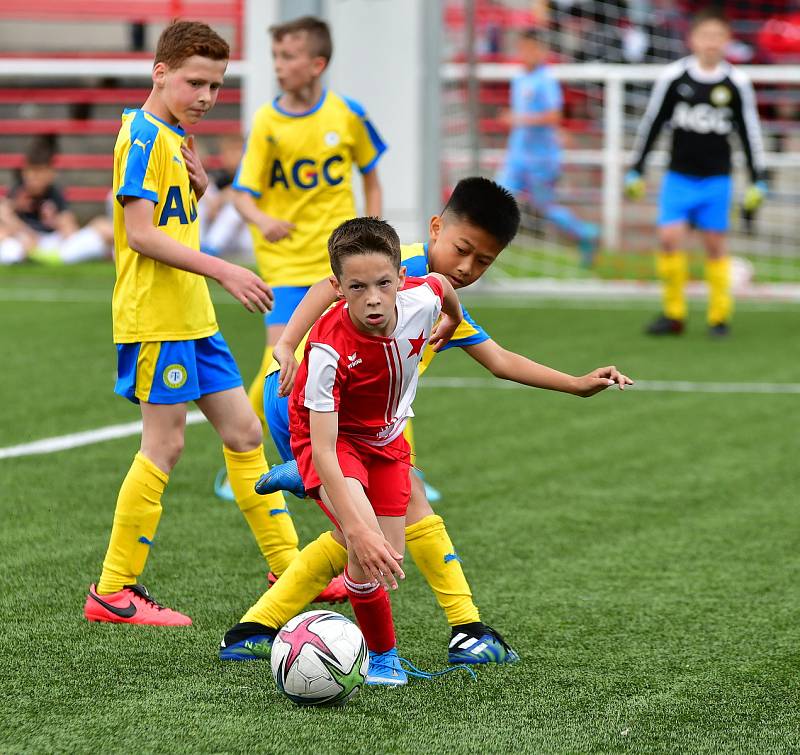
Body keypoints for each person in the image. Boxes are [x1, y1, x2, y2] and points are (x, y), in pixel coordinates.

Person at [219, 177, 633, 665]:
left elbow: (499, 359)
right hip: (307, 410)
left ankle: (264, 625)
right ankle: (457, 631)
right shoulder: (401, 269)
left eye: (484, 261)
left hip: (365, 429)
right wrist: (286, 346)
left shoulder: (434, 294)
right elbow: (324, 287)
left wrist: (577, 383)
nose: (467, 267)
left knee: (379, 530)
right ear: (437, 229)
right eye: (462, 250)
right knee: (368, 533)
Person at [82, 20, 312, 626]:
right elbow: (139, 234)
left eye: (216, 85)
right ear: (160, 73)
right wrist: (225, 270)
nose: (206, 97)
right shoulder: (141, 138)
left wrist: (203, 187)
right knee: (166, 444)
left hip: (193, 316)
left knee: (244, 434)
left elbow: (173, 216)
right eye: (195, 82)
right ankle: (113, 591)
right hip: (159, 318)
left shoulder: (173, 134)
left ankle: (289, 568)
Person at [227, 216, 465, 686]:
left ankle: (304, 480)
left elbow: (442, 285)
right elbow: (326, 448)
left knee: (388, 558)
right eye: (356, 287)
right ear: (340, 288)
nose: (373, 298)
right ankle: (383, 659)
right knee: (364, 550)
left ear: (400, 278)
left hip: (387, 439)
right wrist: (357, 528)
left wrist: (453, 321)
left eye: (383, 283)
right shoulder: (330, 354)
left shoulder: (422, 297)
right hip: (331, 440)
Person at [232, 15, 386, 428]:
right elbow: (240, 194)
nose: (279, 66)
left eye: (289, 56)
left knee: (378, 358)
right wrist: (262, 219)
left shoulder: (347, 114)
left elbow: (372, 179)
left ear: (317, 65)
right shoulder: (268, 122)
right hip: (286, 264)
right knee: (278, 358)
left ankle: (406, 474)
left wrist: (373, 233)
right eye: (276, 57)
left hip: (340, 263)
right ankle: (242, 455)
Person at [625, 8, 767, 337]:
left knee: (715, 245)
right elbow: (653, 122)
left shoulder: (736, 83)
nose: (710, 43)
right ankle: (673, 314)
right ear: (692, 39)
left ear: (727, 41)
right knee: (669, 238)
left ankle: (719, 317)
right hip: (679, 176)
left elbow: (749, 132)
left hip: (718, 177)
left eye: (718, 37)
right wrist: (637, 169)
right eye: (705, 36)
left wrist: (758, 177)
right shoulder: (675, 77)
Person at [496, 27, 598, 267]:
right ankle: (488, 253)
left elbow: (553, 115)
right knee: (497, 197)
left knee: (546, 206)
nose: (528, 53)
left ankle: (586, 234)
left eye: (533, 48)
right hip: (518, 156)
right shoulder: (520, 78)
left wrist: (519, 119)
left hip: (541, 160)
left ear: (542, 51)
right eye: (524, 48)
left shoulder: (546, 80)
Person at [0, 136, 112, 265]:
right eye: (31, 172)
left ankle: (38, 257)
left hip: (53, 245)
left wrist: (55, 221)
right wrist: (22, 227)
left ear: (49, 173)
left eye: (39, 173)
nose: (33, 178)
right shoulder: (18, 193)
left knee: (101, 226)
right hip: (23, 241)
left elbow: (70, 231)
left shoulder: (54, 194)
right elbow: (5, 218)